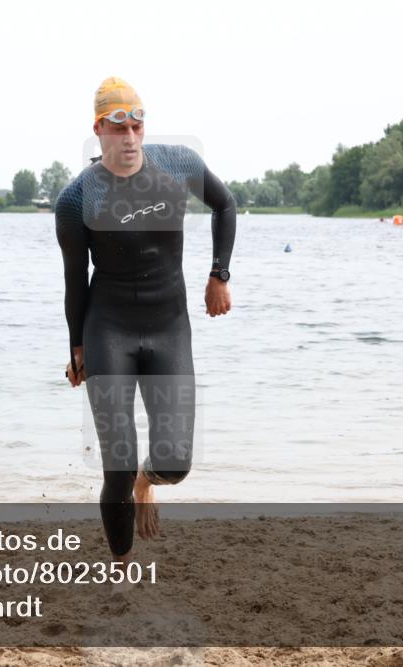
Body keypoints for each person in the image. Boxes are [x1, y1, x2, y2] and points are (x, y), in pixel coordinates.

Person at [55, 76, 236, 567]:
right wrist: (77, 349)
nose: (130, 137)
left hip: (168, 327)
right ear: (98, 130)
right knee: (116, 466)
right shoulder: (77, 199)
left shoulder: (178, 165)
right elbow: (75, 281)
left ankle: (146, 482)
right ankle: (121, 569)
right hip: (108, 328)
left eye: (137, 125)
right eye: (119, 128)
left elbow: (224, 205)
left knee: (175, 462)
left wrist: (218, 275)